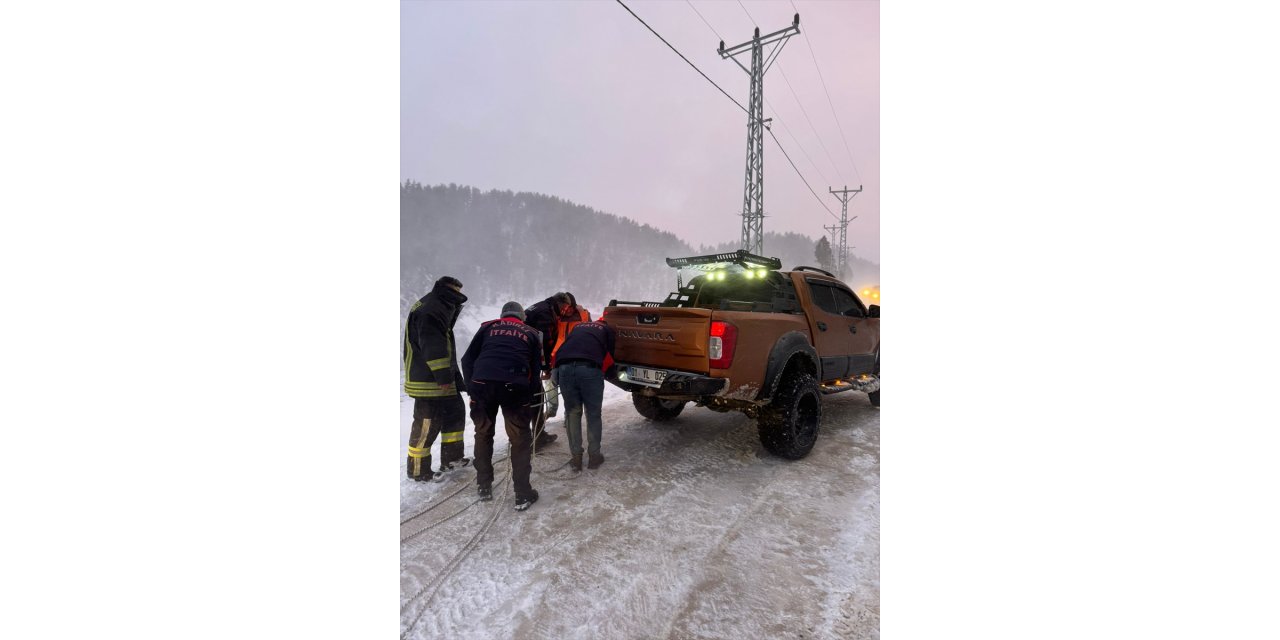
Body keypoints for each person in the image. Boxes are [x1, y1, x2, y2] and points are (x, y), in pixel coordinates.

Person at [461, 301, 543, 511]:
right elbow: (535, 368)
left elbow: (467, 358)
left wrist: (472, 386)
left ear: (502, 315)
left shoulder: (487, 327)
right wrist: (531, 395)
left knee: (483, 434)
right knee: (519, 440)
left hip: (482, 385)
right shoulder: (532, 333)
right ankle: (523, 495)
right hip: (514, 387)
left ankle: (484, 487)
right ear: (522, 317)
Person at [402, 276, 470, 482]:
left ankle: (452, 459)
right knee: (426, 425)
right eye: (456, 292)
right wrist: (442, 375)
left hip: (440, 378)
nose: (458, 297)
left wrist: (451, 377)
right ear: (448, 291)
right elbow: (433, 344)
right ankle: (418, 471)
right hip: (428, 381)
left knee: (455, 413)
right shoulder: (433, 308)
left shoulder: (436, 305)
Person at [551, 314, 616, 471]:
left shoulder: (578, 327)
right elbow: (610, 355)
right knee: (593, 414)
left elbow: (564, 346)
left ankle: (576, 459)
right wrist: (606, 373)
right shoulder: (607, 329)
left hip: (564, 367)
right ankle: (594, 457)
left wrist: (555, 371)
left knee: (572, 413)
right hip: (589, 369)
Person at [522, 292, 574, 446]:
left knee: (527, 398)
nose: (565, 311)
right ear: (560, 303)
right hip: (527, 360)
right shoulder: (546, 314)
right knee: (536, 398)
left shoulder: (540, 306)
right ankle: (537, 438)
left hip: (520, 356)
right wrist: (546, 367)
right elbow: (542, 342)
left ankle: (524, 437)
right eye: (565, 307)